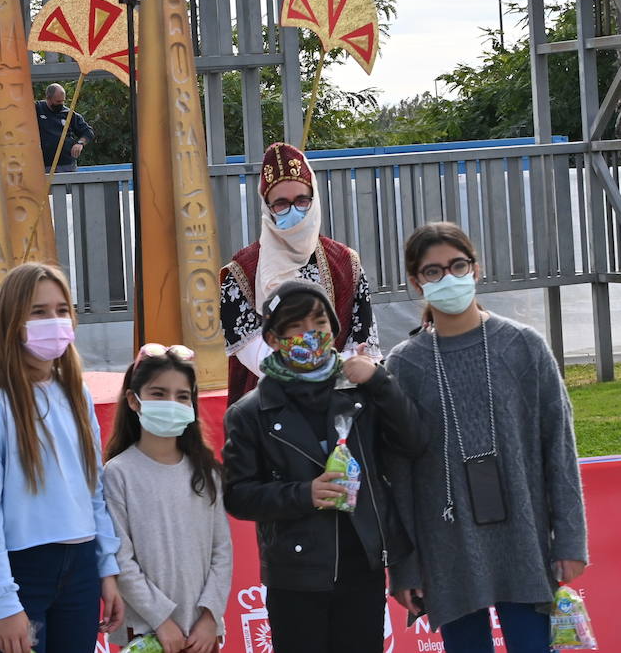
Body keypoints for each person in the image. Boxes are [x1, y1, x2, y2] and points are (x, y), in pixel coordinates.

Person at [384, 222, 588, 653]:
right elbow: (395, 477)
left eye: (457, 265)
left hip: (525, 541)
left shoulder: (524, 347)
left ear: (477, 270)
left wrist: (570, 540)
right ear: (415, 282)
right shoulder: (404, 366)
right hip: (447, 550)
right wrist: (404, 567)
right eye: (433, 271)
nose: (448, 277)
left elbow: (560, 451)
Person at [223, 279, 426, 653]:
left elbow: (413, 441)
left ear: (333, 329)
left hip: (362, 567)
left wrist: (380, 380)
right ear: (273, 339)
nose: (310, 336)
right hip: (295, 577)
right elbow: (238, 496)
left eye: (319, 325)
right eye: (295, 328)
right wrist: (304, 494)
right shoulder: (250, 412)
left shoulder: (360, 389)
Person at [0, 262, 124, 653]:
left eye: (62, 310)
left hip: (80, 566)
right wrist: (3, 601)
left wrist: (107, 568)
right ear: (13, 321)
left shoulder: (75, 393)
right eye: (39, 311)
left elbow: (94, 488)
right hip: (22, 572)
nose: (54, 321)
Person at [221, 141, 379, 405]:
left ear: (313, 199)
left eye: (301, 200)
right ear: (266, 207)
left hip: (341, 408)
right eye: (281, 204)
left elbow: (363, 348)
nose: (294, 210)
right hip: (268, 412)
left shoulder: (345, 262)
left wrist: (337, 378)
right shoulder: (240, 273)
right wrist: (325, 372)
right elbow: (256, 356)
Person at [103, 343, 231, 653]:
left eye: (182, 396)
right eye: (158, 394)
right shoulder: (117, 473)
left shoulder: (206, 472)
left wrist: (210, 616)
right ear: (134, 400)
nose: (171, 403)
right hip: (147, 635)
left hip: (202, 634)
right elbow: (122, 559)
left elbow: (222, 550)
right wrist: (161, 620)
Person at [36, 83, 95, 172]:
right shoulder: (37, 108)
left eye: (63, 101)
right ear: (48, 98)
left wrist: (80, 143)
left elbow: (88, 131)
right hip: (42, 164)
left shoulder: (69, 114)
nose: (61, 104)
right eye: (58, 102)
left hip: (66, 164)